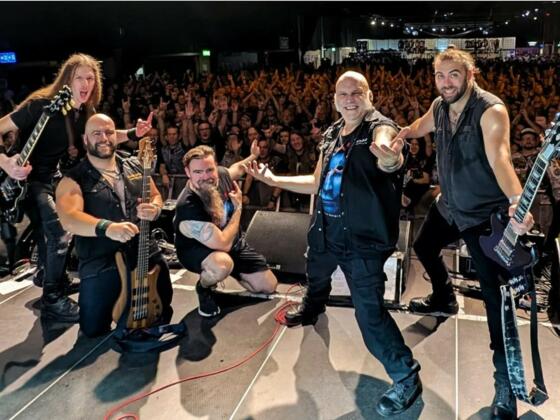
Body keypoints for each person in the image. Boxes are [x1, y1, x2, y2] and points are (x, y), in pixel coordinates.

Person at [246, 71, 421, 417]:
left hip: (362, 242)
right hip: (326, 231)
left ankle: (406, 376)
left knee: (369, 315)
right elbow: (316, 182)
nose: (350, 99)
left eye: (357, 93)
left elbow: (389, 154)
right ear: (335, 99)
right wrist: (274, 179)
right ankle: (313, 307)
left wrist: (390, 158)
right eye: (343, 94)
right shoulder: (331, 134)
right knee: (316, 272)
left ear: (370, 96)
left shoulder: (380, 129)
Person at [399, 47, 534, 420]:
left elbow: (500, 158)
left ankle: (505, 383)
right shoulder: (440, 106)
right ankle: (444, 298)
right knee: (424, 247)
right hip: (450, 206)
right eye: (440, 76)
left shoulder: (491, 111)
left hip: (483, 217)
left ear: (471, 74)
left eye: (454, 75)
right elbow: (419, 126)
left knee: (495, 300)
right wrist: (401, 134)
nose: (446, 83)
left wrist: (517, 202)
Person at [0, 53, 153, 322]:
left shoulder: (83, 112)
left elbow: (102, 136)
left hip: (54, 177)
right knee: (61, 230)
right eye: (79, 77)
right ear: (66, 80)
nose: (85, 83)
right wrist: (6, 162)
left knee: (59, 226)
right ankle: (52, 298)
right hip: (25, 180)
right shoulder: (40, 105)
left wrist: (132, 133)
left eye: (90, 78)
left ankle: (50, 277)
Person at [55, 113, 172, 337]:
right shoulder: (73, 178)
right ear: (85, 139)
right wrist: (107, 228)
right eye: (96, 133)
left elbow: (156, 196)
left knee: (161, 312)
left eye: (109, 132)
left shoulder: (134, 165)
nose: (104, 138)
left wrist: (155, 208)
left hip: (142, 249)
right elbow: (69, 218)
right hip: (101, 259)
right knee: (93, 330)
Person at [174, 143, 277, 318]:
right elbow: (223, 244)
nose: (205, 176)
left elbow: (238, 168)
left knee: (268, 286)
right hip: (198, 249)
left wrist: (253, 156)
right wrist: (238, 208)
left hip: (231, 242)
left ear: (216, 167)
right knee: (222, 265)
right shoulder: (187, 206)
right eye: (198, 172)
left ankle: (232, 270)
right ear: (188, 172)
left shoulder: (221, 175)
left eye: (209, 170)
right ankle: (204, 287)